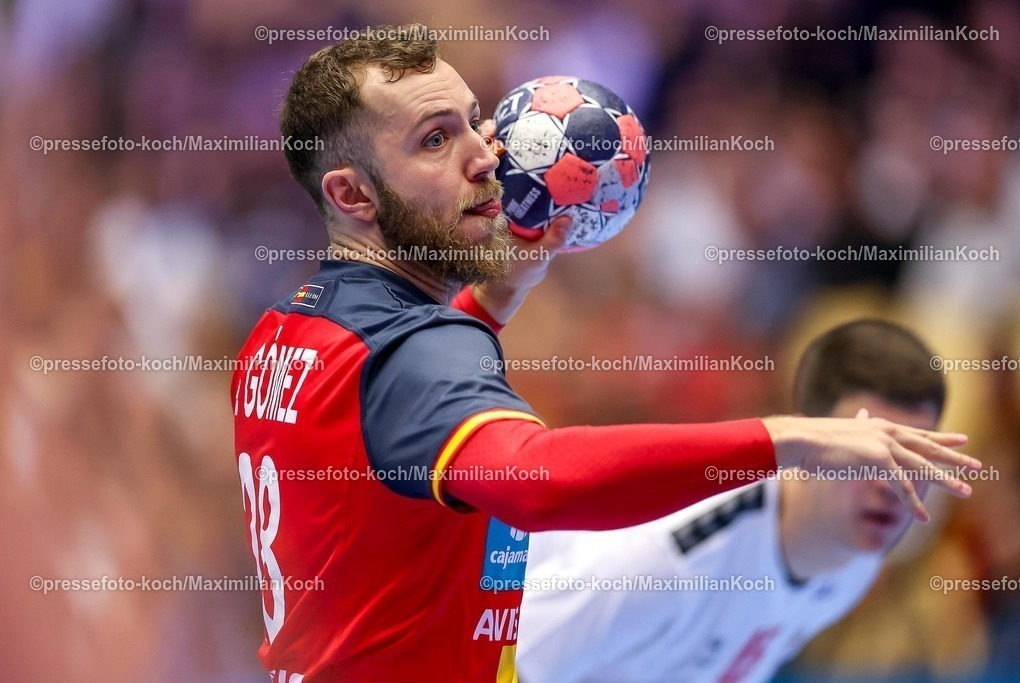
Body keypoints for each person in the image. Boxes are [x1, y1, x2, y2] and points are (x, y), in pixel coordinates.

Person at [230, 25, 978, 682]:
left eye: (473, 122)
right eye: (435, 139)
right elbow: (537, 481)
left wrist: (490, 303)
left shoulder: (283, 337)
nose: (484, 157)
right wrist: (788, 437)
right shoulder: (416, 353)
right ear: (352, 194)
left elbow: (392, 440)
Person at [517, 319, 958, 683]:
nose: (891, 484)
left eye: (909, 458)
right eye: (867, 455)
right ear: (812, 443)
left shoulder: (856, 557)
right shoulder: (667, 563)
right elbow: (502, 665)